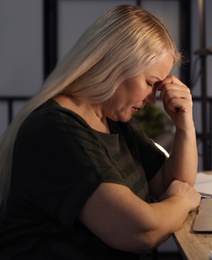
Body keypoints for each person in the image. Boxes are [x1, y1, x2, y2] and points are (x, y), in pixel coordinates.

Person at [0, 4, 201, 259]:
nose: (153, 99)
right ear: (114, 64)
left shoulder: (115, 120)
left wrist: (184, 124)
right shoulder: (56, 129)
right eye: (150, 83)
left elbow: (174, 183)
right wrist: (181, 202)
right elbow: (138, 230)